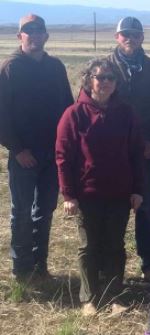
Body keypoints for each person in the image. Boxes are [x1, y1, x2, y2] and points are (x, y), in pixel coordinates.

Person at [56, 58, 144, 316]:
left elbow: (137, 154)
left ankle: (115, 297)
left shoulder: (127, 113)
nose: (104, 82)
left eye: (110, 78)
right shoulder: (74, 114)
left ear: (116, 83)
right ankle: (89, 299)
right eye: (99, 77)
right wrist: (68, 195)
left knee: (115, 245)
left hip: (119, 192)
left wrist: (138, 189)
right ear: (88, 80)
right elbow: (63, 156)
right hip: (87, 193)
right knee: (89, 246)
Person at [0, 14, 74, 282]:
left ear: (46, 36)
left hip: (52, 154)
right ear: (19, 36)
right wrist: (18, 149)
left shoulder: (56, 67)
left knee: (44, 210)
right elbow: (1, 116)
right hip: (22, 156)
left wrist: (67, 146)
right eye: (27, 31)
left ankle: (39, 265)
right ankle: (21, 269)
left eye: (38, 30)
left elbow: (68, 108)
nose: (33, 35)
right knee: (20, 211)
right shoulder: (10, 68)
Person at [109, 16, 150, 282]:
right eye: (125, 34)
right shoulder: (105, 67)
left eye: (134, 34)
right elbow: (88, 107)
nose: (130, 38)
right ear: (117, 37)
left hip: (145, 150)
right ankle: (111, 267)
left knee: (145, 208)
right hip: (113, 151)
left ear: (142, 37)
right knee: (114, 207)